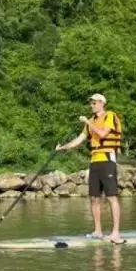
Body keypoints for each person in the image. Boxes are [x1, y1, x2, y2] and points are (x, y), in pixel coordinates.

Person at [56, 93, 124, 243]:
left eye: (94, 103)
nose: (91, 105)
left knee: (111, 197)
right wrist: (63, 148)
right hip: (94, 161)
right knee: (93, 198)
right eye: (91, 103)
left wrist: (87, 121)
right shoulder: (91, 121)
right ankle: (97, 231)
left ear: (101, 103)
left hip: (107, 159)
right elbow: (79, 140)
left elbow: (102, 133)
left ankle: (115, 233)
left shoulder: (109, 116)